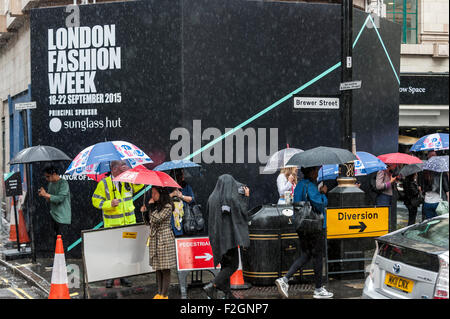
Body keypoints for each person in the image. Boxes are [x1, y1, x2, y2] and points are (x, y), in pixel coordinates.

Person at [275, 166, 333, 299]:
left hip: (302, 225)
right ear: (312, 172)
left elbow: (299, 202)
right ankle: (318, 289)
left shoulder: (300, 184)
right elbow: (319, 204)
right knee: (318, 256)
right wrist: (323, 194)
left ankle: (284, 279)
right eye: (316, 171)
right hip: (315, 226)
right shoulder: (310, 186)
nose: (317, 173)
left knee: (306, 254)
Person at [91, 160, 144, 288]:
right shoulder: (104, 183)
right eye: (122, 166)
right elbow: (95, 201)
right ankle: (110, 277)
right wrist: (110, 204)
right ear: (114, 169)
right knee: (113, 252)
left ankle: (123, 277)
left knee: (125, 251)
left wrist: (130, 172)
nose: (125, 168)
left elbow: (140, 184)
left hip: (128, 224)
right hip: (112, 225)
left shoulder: (127, 180)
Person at [203, 174, 250, 299]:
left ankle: (228, 295)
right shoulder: (231, 199)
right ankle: (212, 285)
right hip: (229, 239)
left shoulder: (212, 198)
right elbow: (243, 213)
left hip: (216, 238)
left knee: (225, 266)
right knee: (233, 265)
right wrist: (246, 198)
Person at [140, 186, 176, 299]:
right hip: (155, 239)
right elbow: (149, 222)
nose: (152, 195)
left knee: (165, 269)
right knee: (158, 268)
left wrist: (150, 207)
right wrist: (145, 213)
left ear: (161, 194)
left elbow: (157, 219)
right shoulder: (156, 206)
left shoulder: (167, 206)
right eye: (152, 193)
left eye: (155, 193)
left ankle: (164, 295)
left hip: (164, 239)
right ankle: (159, 293)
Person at [38, 164, 71, 266]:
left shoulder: (63, 183)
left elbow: (59, 198)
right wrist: (44, 195)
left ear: (54, 174)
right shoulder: (51, 184)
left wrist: (46, 195)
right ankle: (57, 262)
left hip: (62, 217)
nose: (47, 179)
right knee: (54, 240)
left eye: (48, 176)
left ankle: (62, 263)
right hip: (53, 215)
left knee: (62, 241)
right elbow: (50, 199)